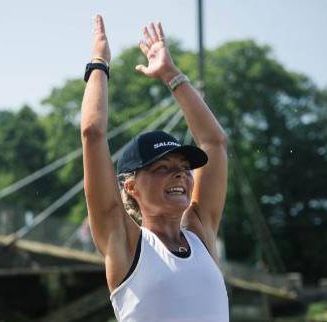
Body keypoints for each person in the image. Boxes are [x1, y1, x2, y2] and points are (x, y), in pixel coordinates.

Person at [81, 15, 229, 321]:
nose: (179, 174)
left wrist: (171, 74)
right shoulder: (123, 241)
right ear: (131, 186)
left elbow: (214, 142)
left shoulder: (201, 232)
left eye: (184, 167)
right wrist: (99, 62)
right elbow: (93, 134)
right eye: (162, 167)